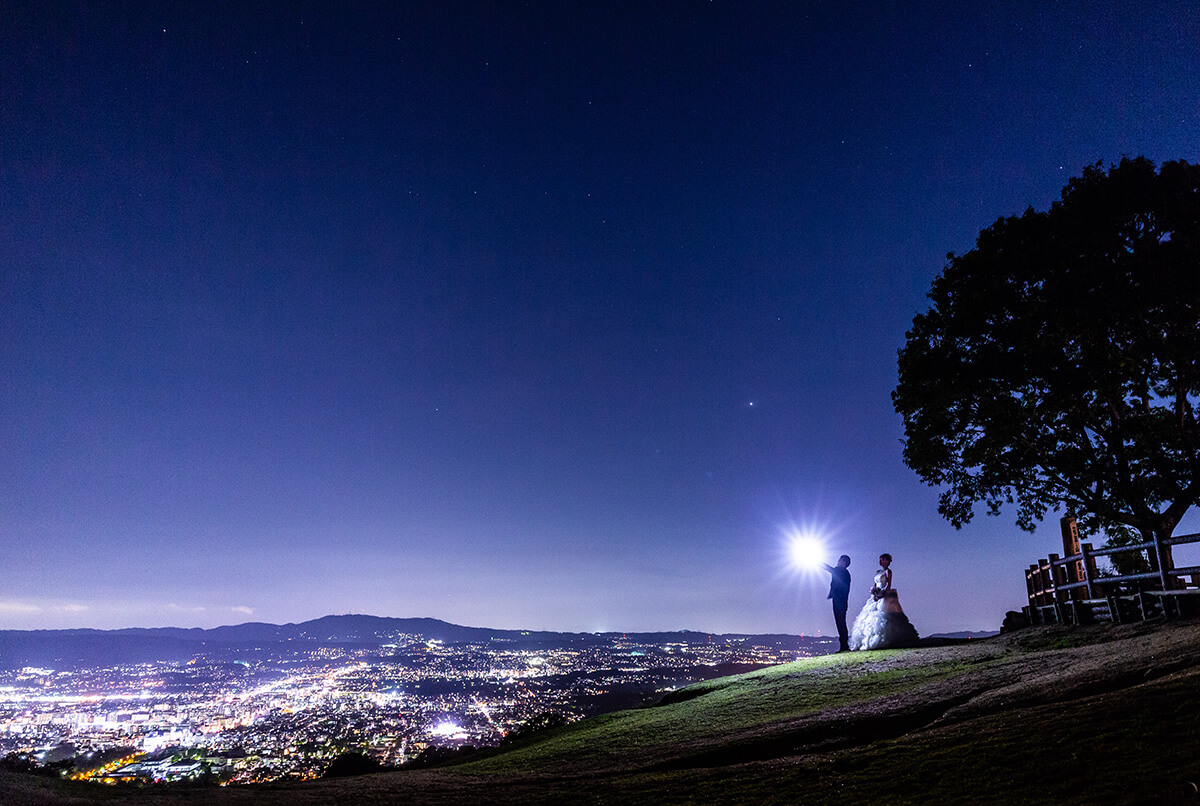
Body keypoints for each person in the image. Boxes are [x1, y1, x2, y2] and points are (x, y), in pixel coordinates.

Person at [848, 553, 920, 650]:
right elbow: (875, 584)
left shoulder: (888, 572)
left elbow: (888, 586)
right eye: (880, 559)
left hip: (883, 595)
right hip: (876, 595)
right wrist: (874, 592)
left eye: (882, 559)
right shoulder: (878, 571)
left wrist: (880, 594)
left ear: (887, 561)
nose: (880, 561)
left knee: (883, 617)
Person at [820, 555, 852, 652]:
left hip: (839, 601)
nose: (838, 561)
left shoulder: (841, 571)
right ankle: (844, 645)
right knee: (841, 622)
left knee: (840, 623)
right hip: (841, 601)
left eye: (840, 560)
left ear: (844, 562)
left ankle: (844, 646)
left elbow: (829, 569)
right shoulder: (845, 573)